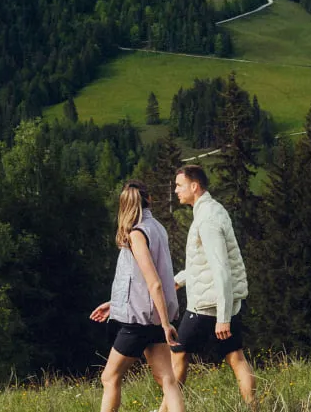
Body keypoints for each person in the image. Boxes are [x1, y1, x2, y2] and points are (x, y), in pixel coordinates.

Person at [163, 164, 255, 408]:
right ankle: (253, 406)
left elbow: (221, 268)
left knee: (178, 354)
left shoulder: (207, 219)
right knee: (235, 356)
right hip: (222, 303)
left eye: (179, 185)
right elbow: (204, 263)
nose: (175, 190)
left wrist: (222, 318)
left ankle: (166, 409)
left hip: (207, 306)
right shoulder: (213, 211)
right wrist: (178, 281)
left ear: (195, 186)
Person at [89, 181, 185, 412]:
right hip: (153, 317)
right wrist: (114, 304)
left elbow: (154, 282)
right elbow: (143, 281)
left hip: (139, 322)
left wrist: (165, 324)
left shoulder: (137, 234)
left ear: (124, 205)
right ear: (148, 199)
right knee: (168, 380)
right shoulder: (158, 228)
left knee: (109, 377)